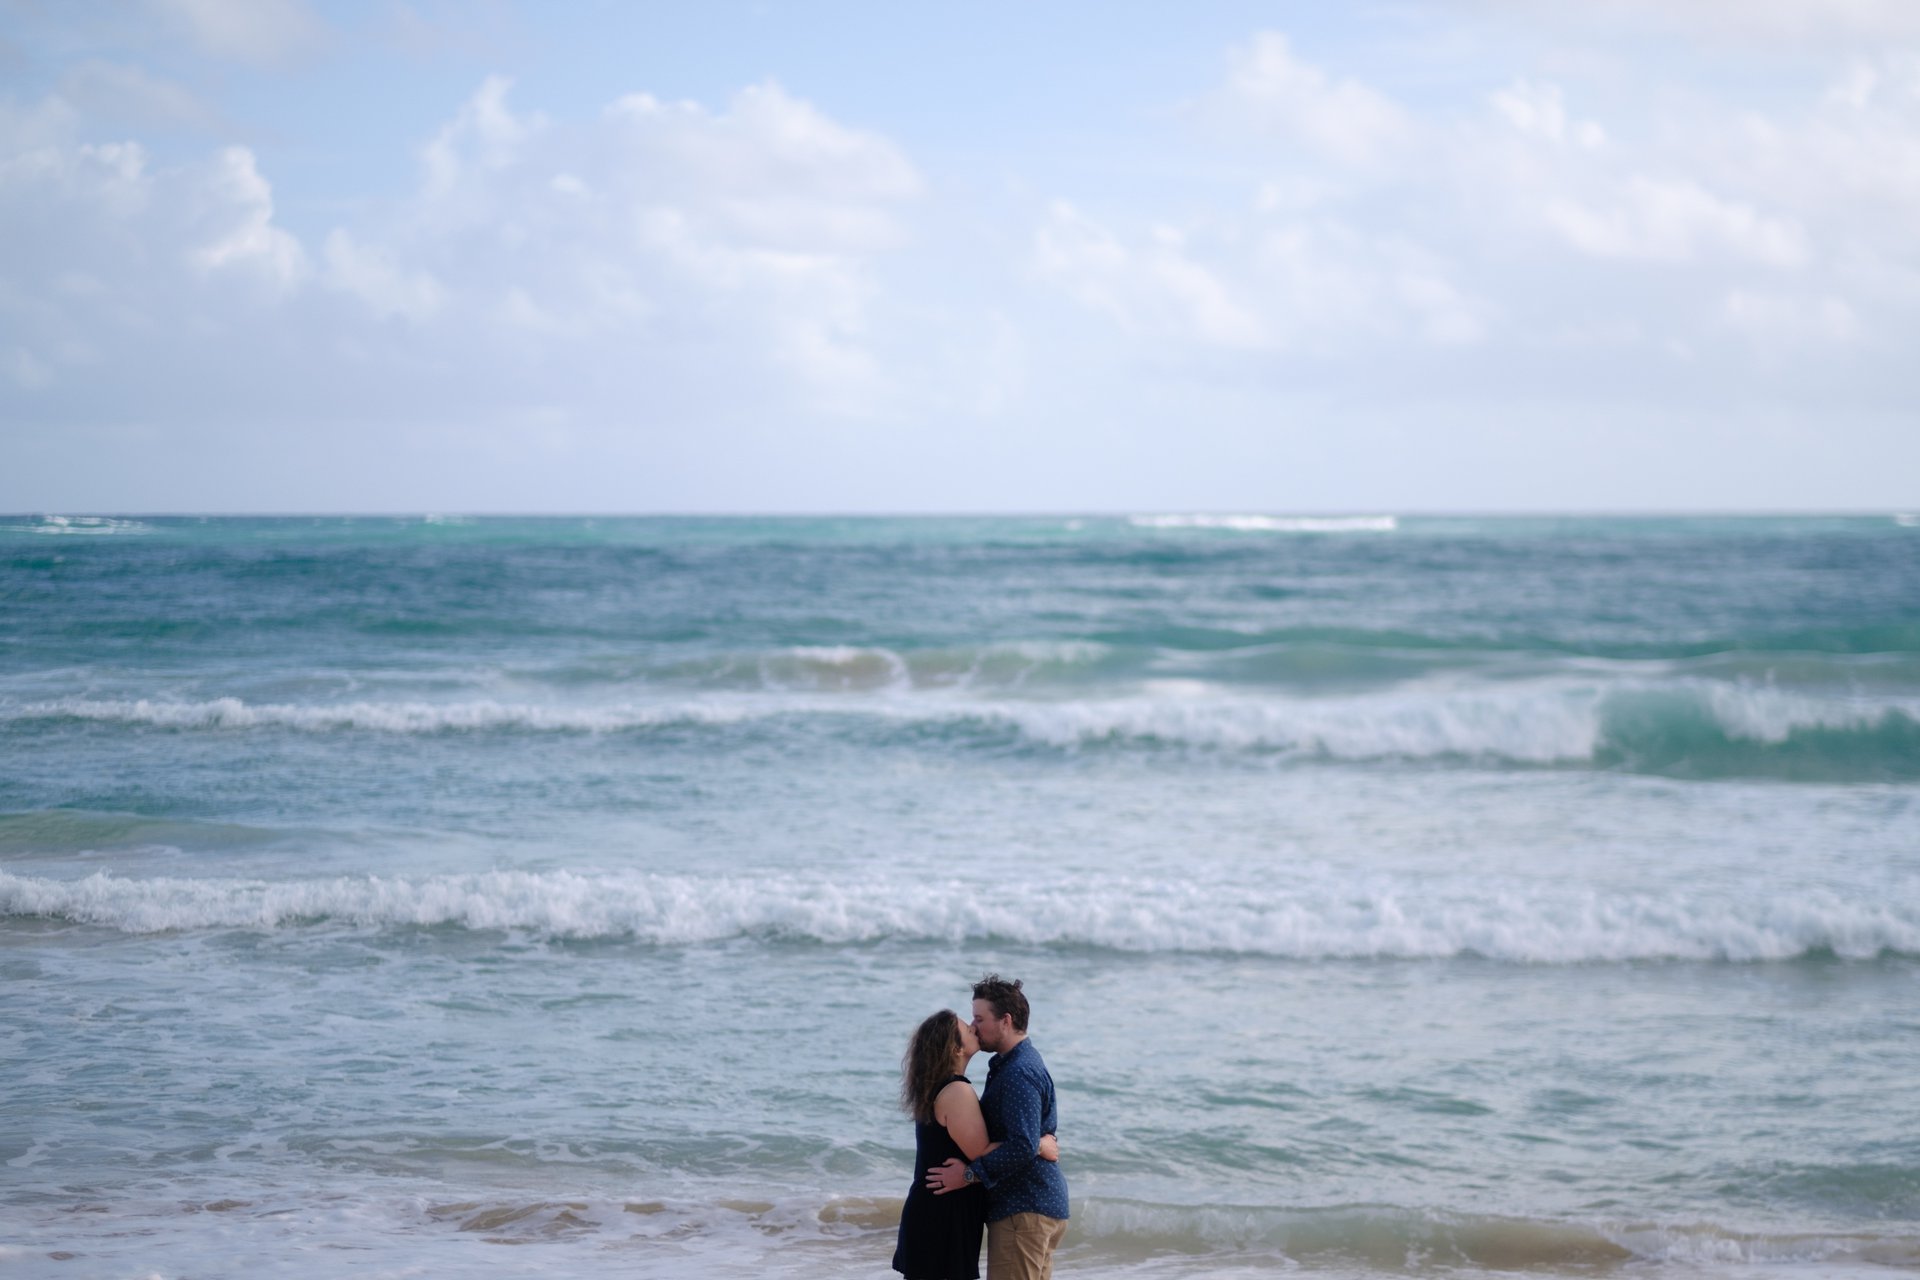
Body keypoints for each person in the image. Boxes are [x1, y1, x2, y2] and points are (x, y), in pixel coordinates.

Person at [893, 1009, 1059, 1280]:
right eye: (967, 1029)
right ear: (956, 1049)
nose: (973, 1027)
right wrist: (1039, 1144)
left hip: (939, 1208)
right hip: (942, 1214)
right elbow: (983, 1153)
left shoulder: (941, 1087)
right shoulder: (957, 1091)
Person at [925, 975, 1069, 1280]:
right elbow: (1028, 1141)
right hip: (1034, 1205)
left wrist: (967, 1175)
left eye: (979, 1019)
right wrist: (1038, 1144)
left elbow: (1022, 1145)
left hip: (1023, 1207)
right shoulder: (1015, 1064)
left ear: (1006, 1020)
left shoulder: (1018, 1072)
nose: (974, 1026)